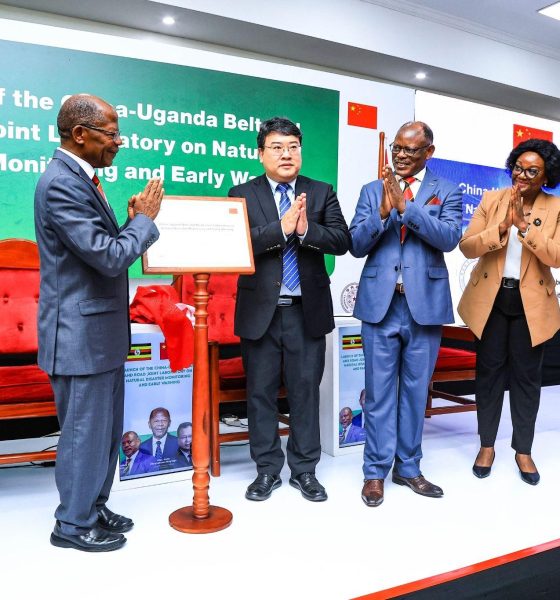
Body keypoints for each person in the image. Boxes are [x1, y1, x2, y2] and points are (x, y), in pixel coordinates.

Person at [35, 93, 163, 552]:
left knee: (104, 433)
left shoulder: (81, 179)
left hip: (100, 335)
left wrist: (129, 222)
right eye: (111, 133)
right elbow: (109, 258)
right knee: (83, 436)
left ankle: (93, 505)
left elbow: (100, 250)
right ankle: (72, 524)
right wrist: (144, 222)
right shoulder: (61, 184)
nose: (118, 141)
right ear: (79, 134)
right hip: (79, 337)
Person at [229, 117, 350, 502]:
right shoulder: (241, 193)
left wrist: (305, 231)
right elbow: (238, 243)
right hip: (260, 312)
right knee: (260, 394)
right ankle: (267, 470)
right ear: (260, 153)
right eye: (277, 147)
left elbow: (342, 240)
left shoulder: (321, 191)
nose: (286, 154)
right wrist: (280, 229)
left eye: (293, 146)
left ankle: (304, 470)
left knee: (305, 393)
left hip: (306, 311)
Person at [349, 121, 462, 507]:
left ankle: (409, 467)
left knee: (415, 392)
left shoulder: (447, 190)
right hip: (380, 306)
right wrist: (382, 213)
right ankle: (375, 472)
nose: (400, 155)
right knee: (378, 393)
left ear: (429, 152)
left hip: (424, 306)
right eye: (396, 148)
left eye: (410, 150)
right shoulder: (371, 190)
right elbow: (356, 245)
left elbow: (448, 238)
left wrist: (405, 207)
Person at [458, 139, 560, 486]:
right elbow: (467, 246)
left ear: (546, 176)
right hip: (491, 300)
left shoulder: (556, 207)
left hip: (532, 304)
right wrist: (502, 226)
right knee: (488, 376)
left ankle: (523, 450)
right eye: (518, 167)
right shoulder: (492, 199)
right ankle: (486, 446)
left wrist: (524, 227)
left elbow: (556, 256)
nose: (522, 175)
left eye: (532, 171)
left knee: (527, 379)